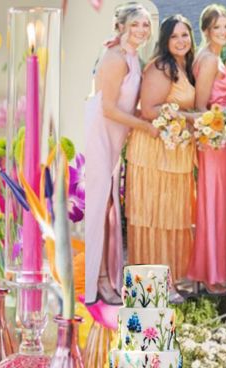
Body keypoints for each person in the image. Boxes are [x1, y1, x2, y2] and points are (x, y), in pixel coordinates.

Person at [84, 4, 155, 304]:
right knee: (99, 206)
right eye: (136, 24)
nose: (141, 30)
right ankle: (98, 280)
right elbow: (108, 108)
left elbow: (128, 104)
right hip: (101, 133)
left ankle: (108, 274)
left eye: (145, 25)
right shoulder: (114, 58)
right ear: (121, 26)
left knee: (110, 204)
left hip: (117, 134)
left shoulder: (132, 56)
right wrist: (143, 125)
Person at [125, 15, 197, 289]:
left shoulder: (184, 65)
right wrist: (191, 118)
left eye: (185, 35)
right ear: (165, 41)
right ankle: (150, 285)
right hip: (155, 153)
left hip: (174, 152)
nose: (181, 41)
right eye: (175, 36)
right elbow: (149, 110)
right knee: (155, 215)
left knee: (173, 216)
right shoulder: (161, 66)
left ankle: (171, 279)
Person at [188, 5, 226, 290]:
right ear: (205, 30)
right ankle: (210, 273)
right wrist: (220, 127)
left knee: (221, 203)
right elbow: (200, 107)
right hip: (214, 141)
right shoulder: (207, 60)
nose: (222, 32)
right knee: (213, 203)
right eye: (216, 27)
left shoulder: (217, 57)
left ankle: (216, 267)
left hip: (224, 139)